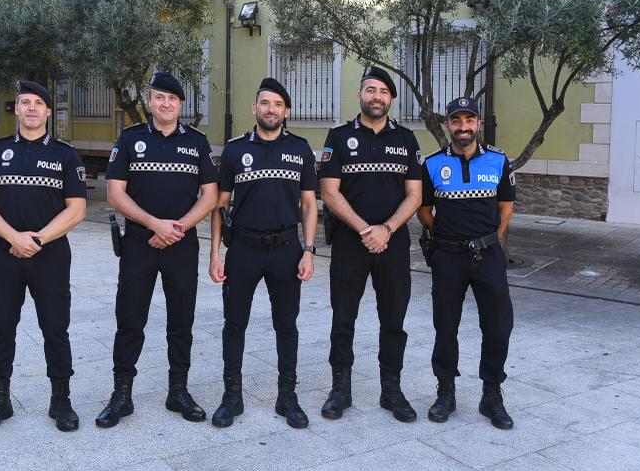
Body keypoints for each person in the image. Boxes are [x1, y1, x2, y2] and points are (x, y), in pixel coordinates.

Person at [95, 72, 218, 428]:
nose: (166, 104)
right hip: (139, 245)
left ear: (181, 104)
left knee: (182, 322)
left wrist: (175, 228)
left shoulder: (197, 142)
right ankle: (122, 395)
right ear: (151, 101)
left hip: (182, 243)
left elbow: (209, 196)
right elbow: (115, 193)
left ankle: (178, 391)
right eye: (159, 97)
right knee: (130, 320)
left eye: (172, 99)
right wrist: (155, 225)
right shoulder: (131, 139)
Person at [0, 80, 88, 433]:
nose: (32, 108)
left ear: (49, 111)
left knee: (56, 328)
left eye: (39, 103)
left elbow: (78, 208)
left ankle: (61, 399)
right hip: (3, 254)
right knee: (1, 327)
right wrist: (12, 237)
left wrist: (36, 240)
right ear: (17, 109)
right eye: (25, 102)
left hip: (50, 255)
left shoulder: (66, 155)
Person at [209, 78, 318, 429]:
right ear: (254, 108)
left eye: (277, 104)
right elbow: (220, 205)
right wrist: (214, 254)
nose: (271, 109)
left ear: (286, 111)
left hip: (287, 249)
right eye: (265, 103)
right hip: (243, 249)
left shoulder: (301, 149)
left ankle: (287, 397)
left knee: (286, 325)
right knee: (234, 325)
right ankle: (232, 397)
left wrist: (309, 250)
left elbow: (309, 205)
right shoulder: (234, 150)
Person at [319, 67, 423, 423]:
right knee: (343, 317)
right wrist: (367, 229)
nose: (376, 96)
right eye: (370, 90)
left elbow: (415, 194)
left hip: (393, 244)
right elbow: (329, 192)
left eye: (383, 91)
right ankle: (340, 390)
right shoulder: (338, 136)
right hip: (351, 243)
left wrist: (387, 229)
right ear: (360, 95)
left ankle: (391, 390)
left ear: (391, 99)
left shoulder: (407, 139)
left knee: (394, 319)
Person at [418, 96, 516, 430]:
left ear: (478, 124)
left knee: (499, 324)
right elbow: (424, 210)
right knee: (445, 326)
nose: (463, 127)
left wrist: (491, 237)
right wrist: (445, 234)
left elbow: (506, 207)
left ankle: (492, 394)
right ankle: (446, 391)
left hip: (487, 255)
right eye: (456, 121)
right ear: (448, 125)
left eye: (469, 120)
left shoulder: (499, 160)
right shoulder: (432, 164)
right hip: (447, 256)